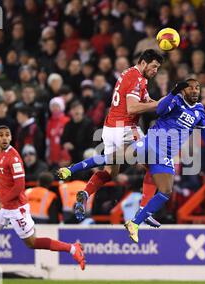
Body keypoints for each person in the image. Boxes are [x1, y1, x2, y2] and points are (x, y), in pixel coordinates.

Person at [59, 79, 205, 243]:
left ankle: (135, 222)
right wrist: (173, 92)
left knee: (165, 191)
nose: (195, 90)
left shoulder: (199, 110)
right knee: (114, 158)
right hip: (152, 143)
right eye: (190, 87)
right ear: (183, 90)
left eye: (197, 87)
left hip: (166, 155)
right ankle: (71, 170)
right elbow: (159, 111)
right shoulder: (176, 101)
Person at [0, 125, 85, 284]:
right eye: (1, 135)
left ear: (10, 138)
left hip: (17, 208)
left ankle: (72, 248)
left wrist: (3, 200)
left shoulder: (14, 157)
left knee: (32, 243)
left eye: (7, 135)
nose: (4, 138)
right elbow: (4, 181)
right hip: (3, 206)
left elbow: (19, 186)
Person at [59, 50, 164, 228]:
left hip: (109, 129)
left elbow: (146, 100)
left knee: (110, 172)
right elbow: (132, 108)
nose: (155, 71)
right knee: (155, 164)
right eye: (154, 67)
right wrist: (160, 103)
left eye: (158, 68)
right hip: (126, 128)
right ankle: (145, 210)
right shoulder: (137, 78)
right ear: (144, 63)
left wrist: (163, 104)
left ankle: (85, 192)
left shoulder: (131, 75)